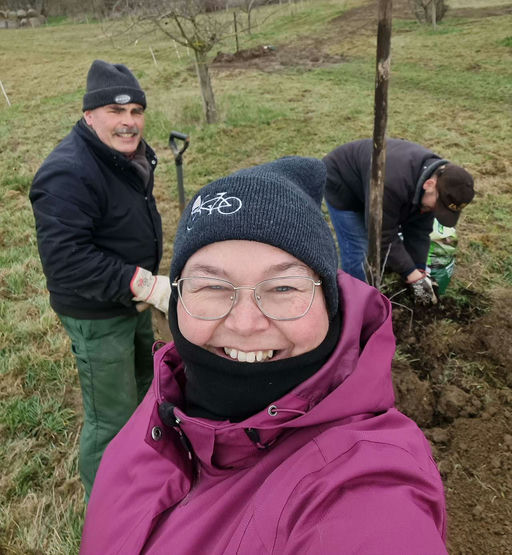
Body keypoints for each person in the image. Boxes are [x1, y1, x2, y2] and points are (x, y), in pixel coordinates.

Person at [80, 157, 448, 554]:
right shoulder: (168, 396)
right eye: (212, 286)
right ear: (179, 297)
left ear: (330, 305)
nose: (245, 324)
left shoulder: (366, 491)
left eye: (284, 288)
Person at [29, 60, 171, 499]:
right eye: (116, 111)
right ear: (89, 115)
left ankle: (143, 468)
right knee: (110, 415)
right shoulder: (67, 172)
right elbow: (67, 261)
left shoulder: (125, 155)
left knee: (145, 386)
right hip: (96, 311)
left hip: (131, 298)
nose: (129, 122)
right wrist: (144, 283)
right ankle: (106, 507)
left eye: (136, 111)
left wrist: (141, 286)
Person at [323, 138, 475, 303]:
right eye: (439, 206)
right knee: (359, 249)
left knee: (389, 243)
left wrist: (418, 270)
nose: (436, 210)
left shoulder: (438, 182)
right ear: (429, 184)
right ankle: (356, 301)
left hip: (377, 186)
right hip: (343, 181)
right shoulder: (392, 183)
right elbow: (383, 235)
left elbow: (419, 231)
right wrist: (410, 273)